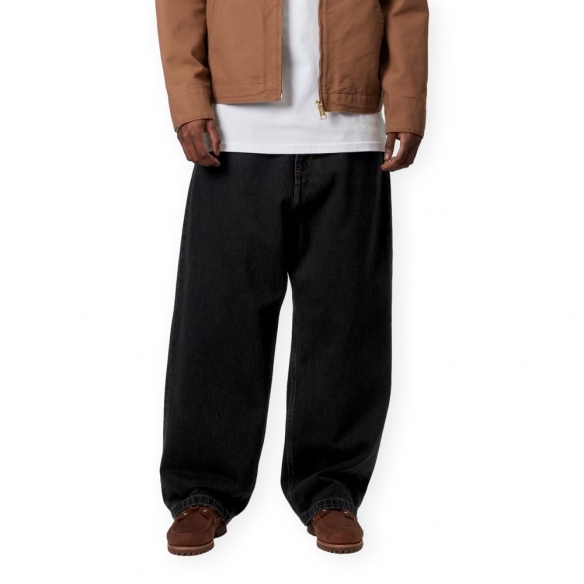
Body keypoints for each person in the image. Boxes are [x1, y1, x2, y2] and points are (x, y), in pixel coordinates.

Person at [155, 0, 429, 555]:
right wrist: (187, 100)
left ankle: (331, 490)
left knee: (346, 327)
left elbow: (404, 6)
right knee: (218, 323)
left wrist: (405, 102)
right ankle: (202, 491)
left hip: (350, 137)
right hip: (235, 136)